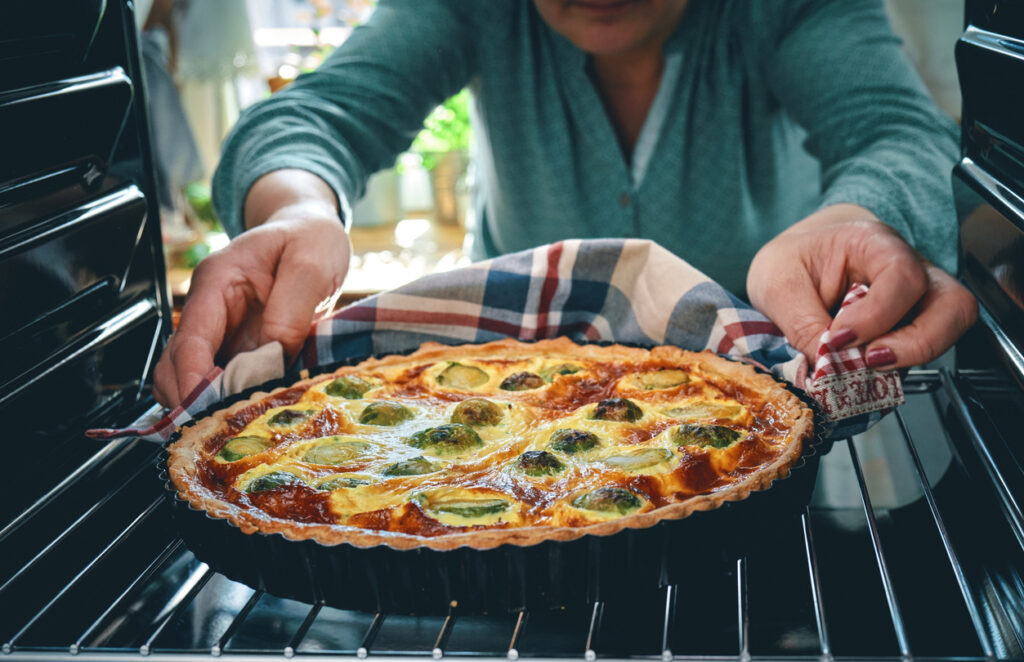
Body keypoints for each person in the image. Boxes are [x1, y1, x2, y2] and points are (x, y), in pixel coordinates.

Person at [154, 0, 977, 407]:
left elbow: (899, 133)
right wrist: (297, 208)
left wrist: (858, 216)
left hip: (771, 424)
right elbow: (313, 116)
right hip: (521, 425)